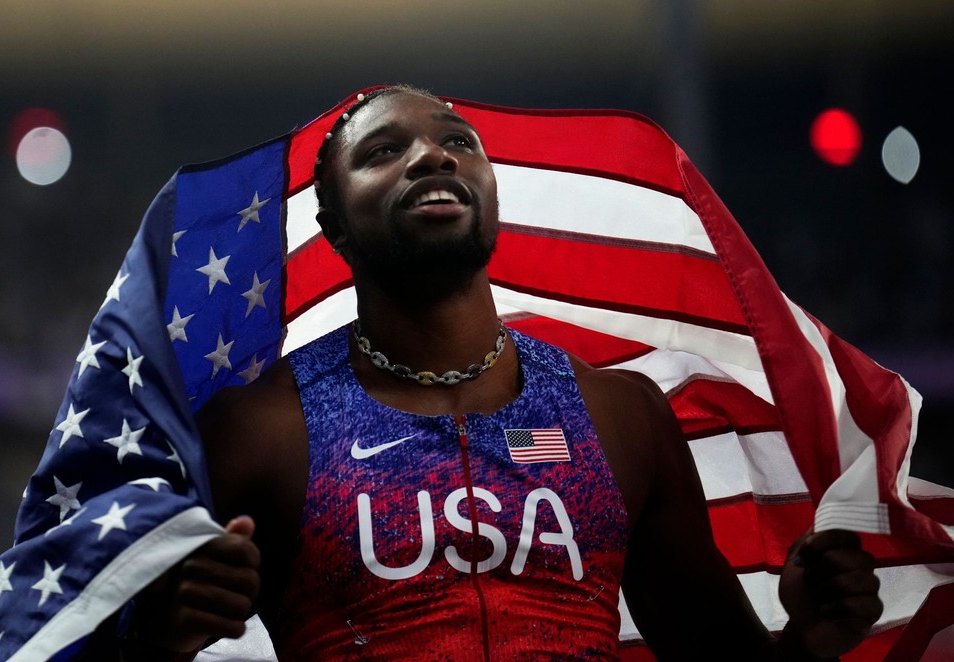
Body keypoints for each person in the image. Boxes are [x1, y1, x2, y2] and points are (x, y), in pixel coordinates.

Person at [119, 86, 883, 660]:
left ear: (489, 192)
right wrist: (151, 636)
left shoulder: (620, 415)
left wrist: (808, 641)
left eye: (459, 142)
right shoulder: (260, 431)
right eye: (384, 152)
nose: (432, 155)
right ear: (334, 225)